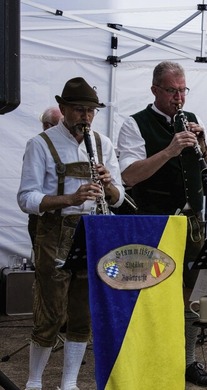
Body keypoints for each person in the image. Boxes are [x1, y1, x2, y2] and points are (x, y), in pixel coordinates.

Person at [116, 61, 207, 387]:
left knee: (194, 293)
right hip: (155, 221)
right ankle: (152, 356)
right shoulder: (134, 124)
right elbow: (128, 175)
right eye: (172, 91)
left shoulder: (194, 121)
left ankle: (187, 359)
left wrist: (203, 144)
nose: (179, 98)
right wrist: (169, 150)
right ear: (155, 90)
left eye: (182, 90)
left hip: (192, 222)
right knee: (155, 292)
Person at [17, 77, 125, 390]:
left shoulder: (103, 144)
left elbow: (119, 199)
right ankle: (34, 381)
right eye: (79, 110)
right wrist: (70, 198)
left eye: (91, 111)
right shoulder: (41, 144)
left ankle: (70, 383)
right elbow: (26, 199)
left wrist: (108, 185)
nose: (86, 117)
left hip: (93, 231)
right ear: (63, 109)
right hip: (55, 231)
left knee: (83, 313)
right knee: (51, 312)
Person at [25, 107, 64, 247]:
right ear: (47, 126)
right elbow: (29, 194)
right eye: (60, 125)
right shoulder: (37, 145)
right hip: (44, 217)